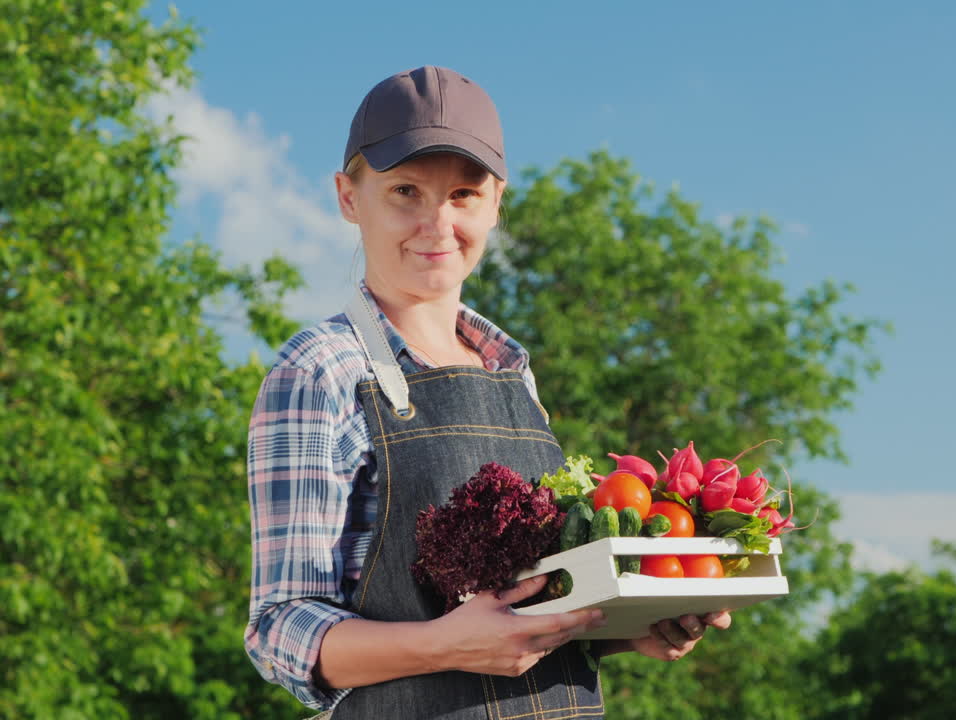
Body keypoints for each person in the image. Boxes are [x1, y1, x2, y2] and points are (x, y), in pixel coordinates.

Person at [244, 65, 731, 719]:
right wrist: (441, 645)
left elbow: (530, 607)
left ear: (497, 201)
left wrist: (629, 625)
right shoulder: (319, 372)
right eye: (405, 192)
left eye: (464, 195)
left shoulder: (514, 375)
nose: (436, 222)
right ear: (349, 197)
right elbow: (278, 631)